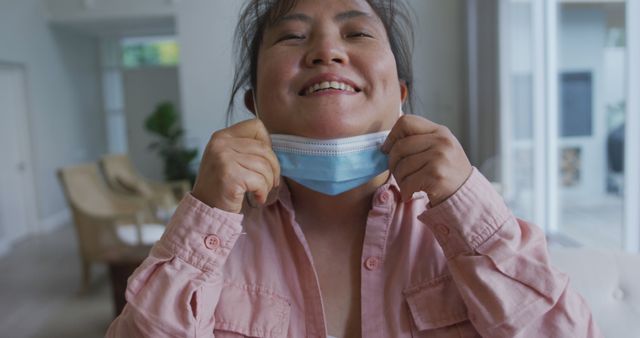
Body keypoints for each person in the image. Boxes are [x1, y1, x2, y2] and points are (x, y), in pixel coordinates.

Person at [106, 0, 602, 337]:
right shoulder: (211, 240)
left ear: (400, 92)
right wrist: (206, 212)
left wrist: (471, 208)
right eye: (293, 36)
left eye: (357, 32)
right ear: (255, 103)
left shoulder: (467, 226)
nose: (326, 51)